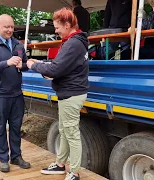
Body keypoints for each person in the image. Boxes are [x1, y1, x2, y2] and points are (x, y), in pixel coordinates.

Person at [27, 8, 89, 180]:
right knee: (64, 130)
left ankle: (74, 173)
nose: (55, 30)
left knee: (72, 134)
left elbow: (55, 69)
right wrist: (42, 64)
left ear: (67, 25)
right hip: (68, 93)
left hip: (71, 94)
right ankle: (60, 165)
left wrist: (34, 65)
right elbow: (59, 66)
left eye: (57, 27)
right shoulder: (72, 41)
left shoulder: (73, 43)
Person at [0, 14, 30, 172]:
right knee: (1, 127)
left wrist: (22, 65)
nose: (10, 30)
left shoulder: (18, 45)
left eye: (11, 27)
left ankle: (16, 156)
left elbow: (25, 65)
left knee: (16, 127)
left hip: (17, 94)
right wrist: (7, 63)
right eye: (6, 27)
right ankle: (3, 158)